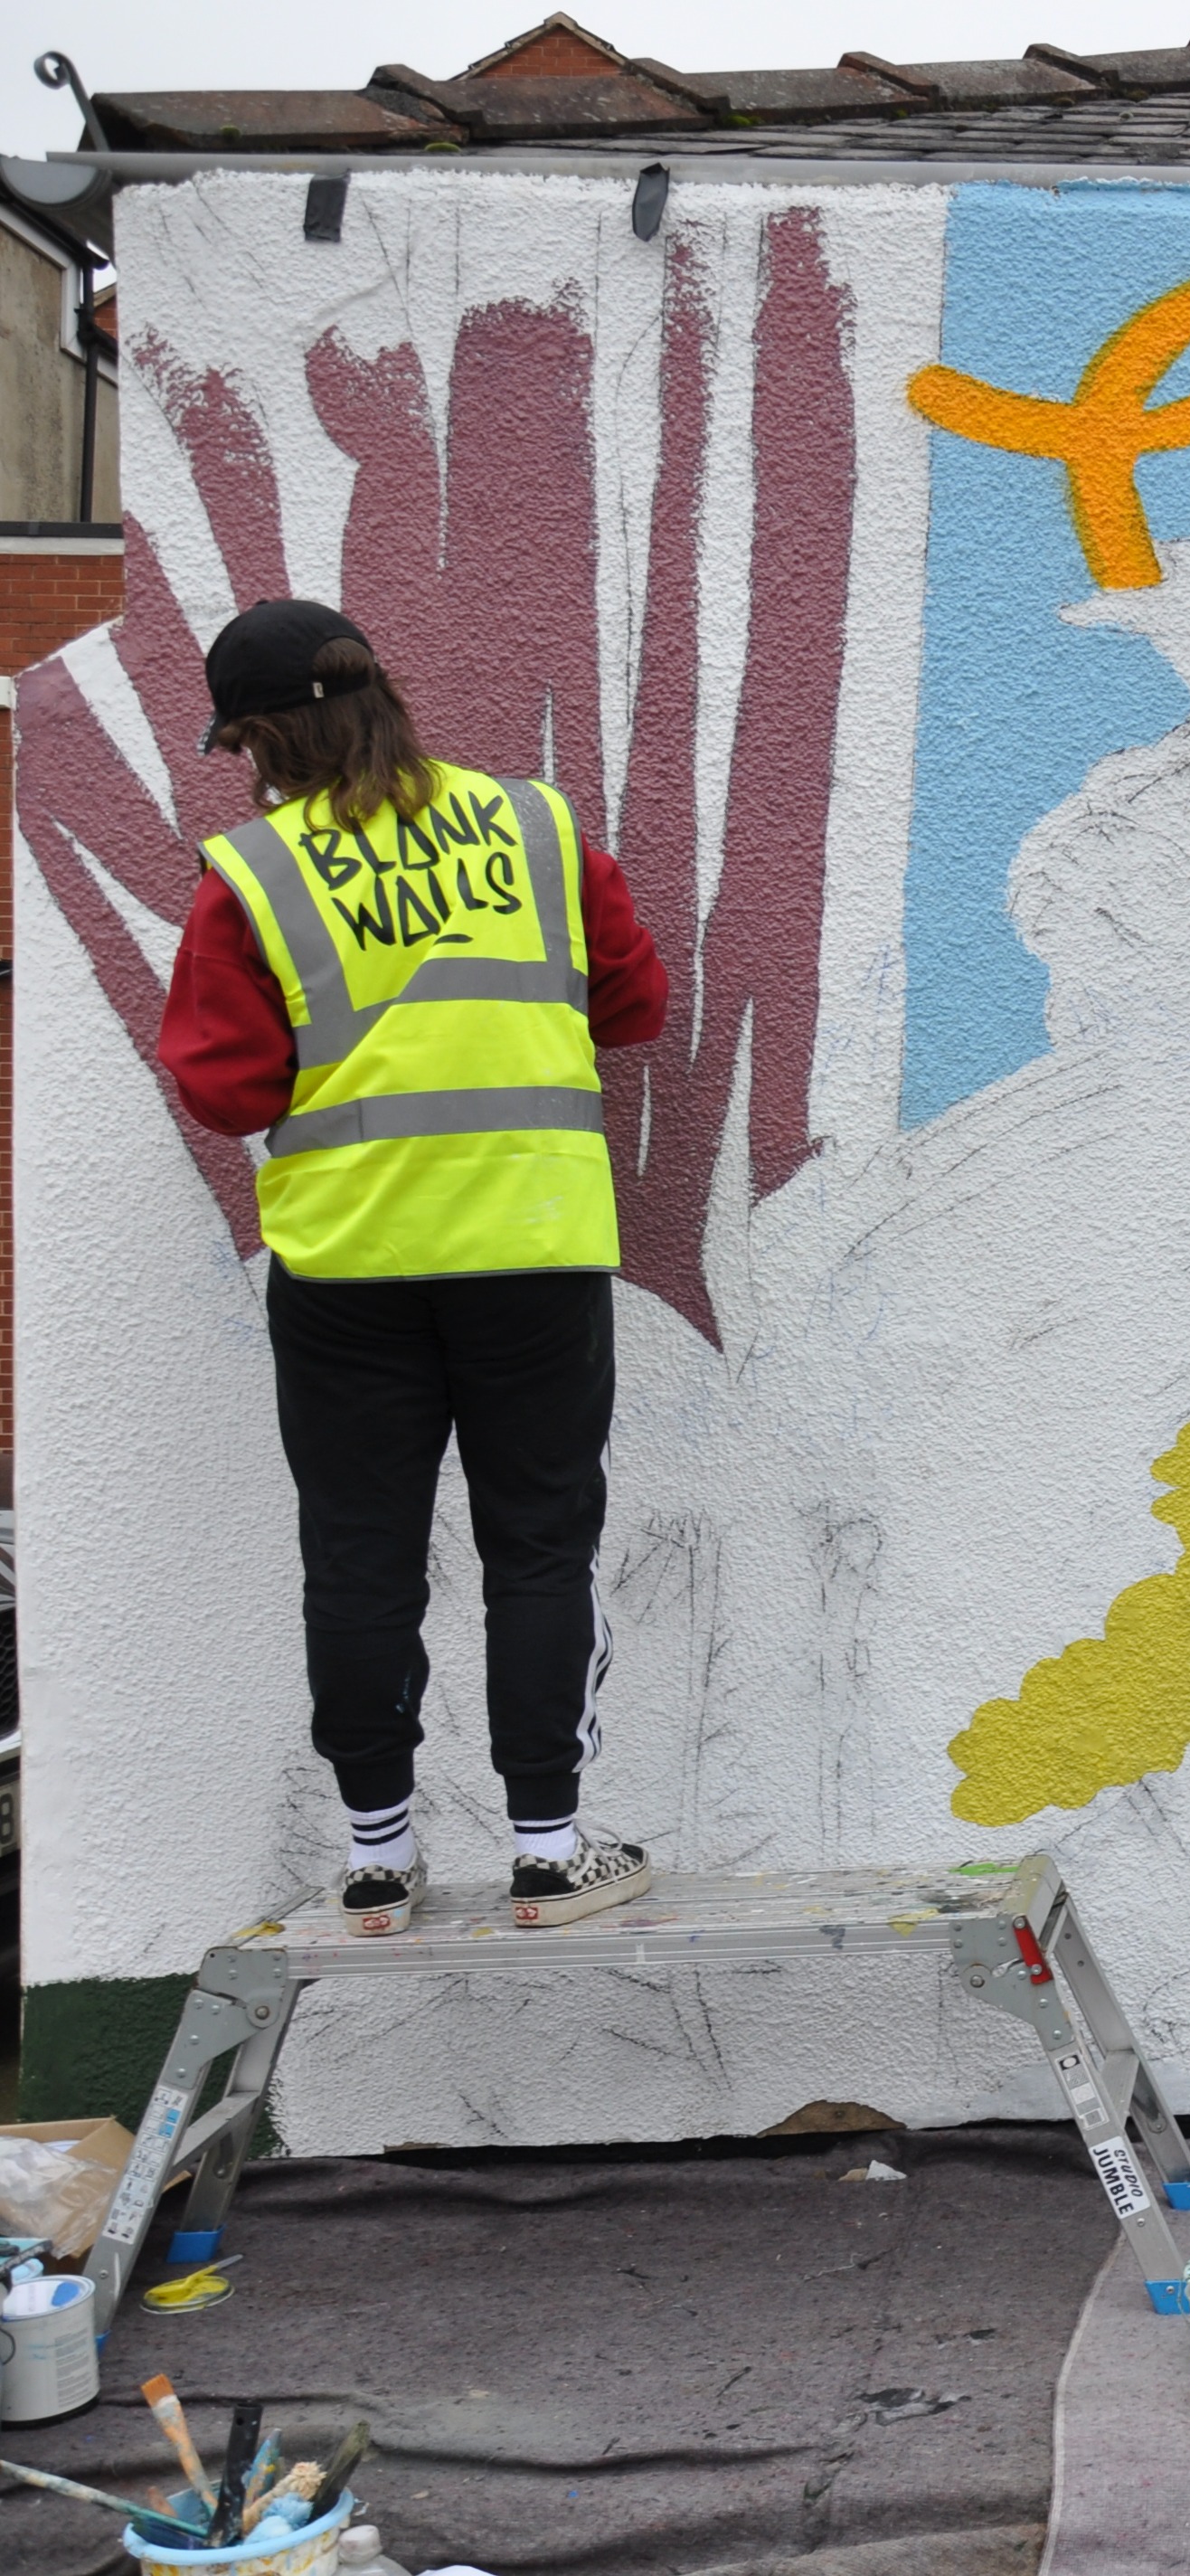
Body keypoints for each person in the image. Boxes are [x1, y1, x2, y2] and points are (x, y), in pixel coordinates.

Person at [158, 600, 669, 1934]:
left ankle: (379, 1862)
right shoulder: (540, 830)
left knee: (360, 1552)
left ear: (264, 739)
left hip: (352, 1269)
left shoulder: (256, 873)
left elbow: (222, 1086)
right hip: (535, 1249)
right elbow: (632, 1000)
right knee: (540, 1546)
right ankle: (549, 1853)